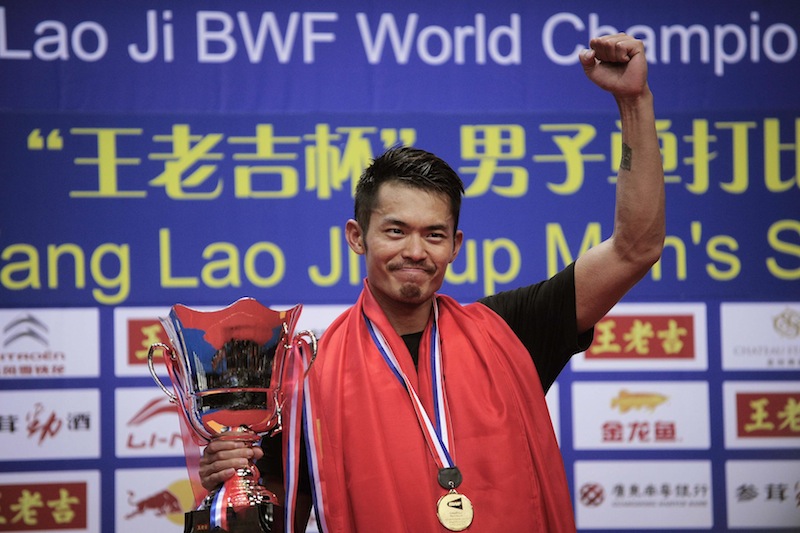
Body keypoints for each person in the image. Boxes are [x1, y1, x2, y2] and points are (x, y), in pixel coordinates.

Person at [199, 32, 665, 532]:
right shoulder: (305, 375)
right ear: (358, 237)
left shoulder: (509, 331)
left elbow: (633, 249)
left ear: (456, 246)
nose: (416, 252)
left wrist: (633, 102)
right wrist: (227, 480)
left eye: (434, 235)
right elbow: (271, 510)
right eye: (395, 231)